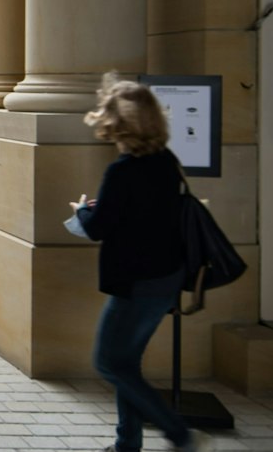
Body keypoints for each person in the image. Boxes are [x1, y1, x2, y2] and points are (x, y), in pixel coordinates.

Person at [71, 79, 197, 452]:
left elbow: (100, 229)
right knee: (128, 363)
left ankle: (179, 434)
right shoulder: (166, 164)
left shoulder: (123, 171)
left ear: (120, 124)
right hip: (166, 277)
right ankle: (127, 444)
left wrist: (82, 211)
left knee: (110, 363)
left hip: (136, 281)